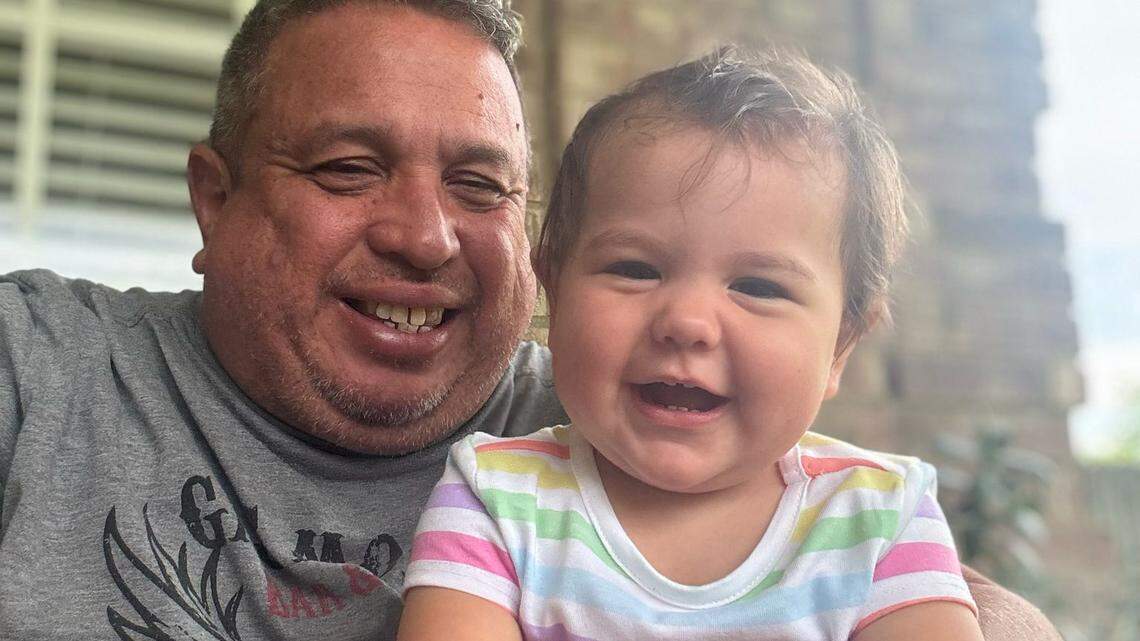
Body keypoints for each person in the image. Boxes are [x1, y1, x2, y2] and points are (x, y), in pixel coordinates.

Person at [0, 1, 1061, 640]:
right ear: (213, 198)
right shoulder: (41, 368)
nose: (425, 236)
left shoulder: (625, 419)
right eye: (348, 167)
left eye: (480, 184)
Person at [397, 49, 983, 640]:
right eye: (634, 268)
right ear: (553, 288)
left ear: (841, 345)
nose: (687, 321)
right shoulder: (495, 501)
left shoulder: (880, 521)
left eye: (756, 286)